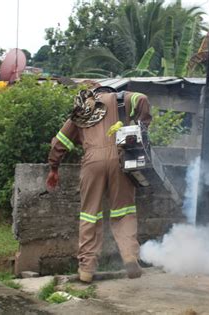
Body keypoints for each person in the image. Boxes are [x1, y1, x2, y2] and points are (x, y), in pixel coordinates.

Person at [46, 86, 151, 283]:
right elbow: (142, 98)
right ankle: (129, 256)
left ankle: (86, 269)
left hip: (92, 162)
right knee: (124, 211)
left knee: (90, 214)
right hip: (120, 158)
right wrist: (140, 127)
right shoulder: (119, 99)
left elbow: (60, 142)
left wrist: (54, 167)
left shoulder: (82, 110)